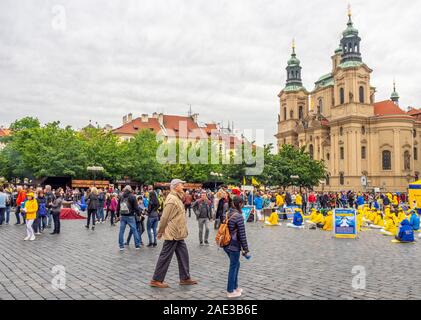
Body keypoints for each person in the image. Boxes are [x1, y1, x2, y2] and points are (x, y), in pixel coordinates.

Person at [150, 179, 197, 288]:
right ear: (175, 186)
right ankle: (156, 280)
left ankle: (185, 278)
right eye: (181, 184)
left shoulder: (177, 198)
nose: (183, 186)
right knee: (165, 256)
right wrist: (160, 231)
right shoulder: (172, 199)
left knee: (183, 255)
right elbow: (165, 217)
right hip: (173, 233)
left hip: (178, 233)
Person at [220, 196, 249, 298]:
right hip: (234, 245)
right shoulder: (239, 216)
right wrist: (246, 249)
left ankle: (235, 287)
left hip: (226, 243)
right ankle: (230, 291)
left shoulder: (227, 213)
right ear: (240, 204)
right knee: (233, 266)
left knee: (236, 264)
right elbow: (242, 234)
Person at [117, 185, 141, 251]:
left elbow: (118, 207)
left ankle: (121, 246)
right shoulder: (132, 197)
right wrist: (139, 214)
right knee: (134, 230)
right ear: (130, 190)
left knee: (121, 231)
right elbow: (136, 207)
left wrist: (117, 215)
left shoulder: (121, 196)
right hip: (130, 216)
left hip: (123, 216)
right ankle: (137, 245)